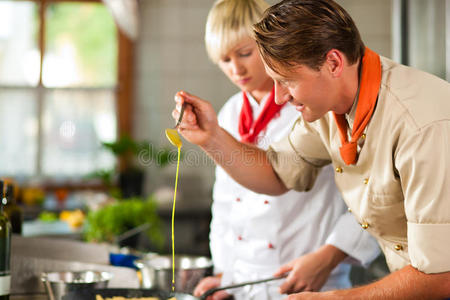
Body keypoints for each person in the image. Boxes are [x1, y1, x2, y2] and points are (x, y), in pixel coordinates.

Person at [172, 0, 450, 298]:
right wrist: (211, 137)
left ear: (333, 63)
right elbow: (277, 173)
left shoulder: (422, 124)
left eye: (287, 81)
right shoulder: (329, 109)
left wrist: (330, 297)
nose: (279, 98)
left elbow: (441, 275)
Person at [191, 1, 379, 299]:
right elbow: (226, 202)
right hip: (244, 284)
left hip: (311, 280)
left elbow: (373, 196)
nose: (236, 68)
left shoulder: (316, 104)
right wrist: (225, 272)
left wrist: (331, 254)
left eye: (244, 53)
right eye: (224, 59)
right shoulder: (227, 114)